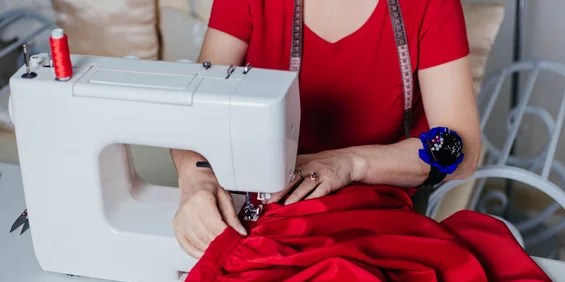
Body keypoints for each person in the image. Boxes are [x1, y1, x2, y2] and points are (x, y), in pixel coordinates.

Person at [170, 0, 481, 259]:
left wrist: (348, 164)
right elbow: (197, 110)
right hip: (266, 206)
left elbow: (460, 150)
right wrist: (196, 179)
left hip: (377, 212)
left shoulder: (429, 4)